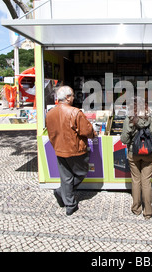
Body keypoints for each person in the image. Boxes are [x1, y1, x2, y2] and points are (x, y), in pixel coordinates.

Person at [46, 86, 96, 216]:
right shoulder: (75, 112)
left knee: (66, 177)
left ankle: (70, 204)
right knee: (82, 172)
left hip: (59, 149)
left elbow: (50, 132)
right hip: (75, 150)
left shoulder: (50, 113)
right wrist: (94, 134)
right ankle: (61, 193)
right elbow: (87, 131)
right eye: (73, 95)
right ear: (67, 98)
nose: (74, 97)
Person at [121, 97, 152, 219]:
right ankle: (148, 212)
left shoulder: (129, 120)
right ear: (145, 105)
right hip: (149, 154)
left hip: (133, 153)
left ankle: (136, 209)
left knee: (136, 180)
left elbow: (124, 139)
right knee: (146, 182)